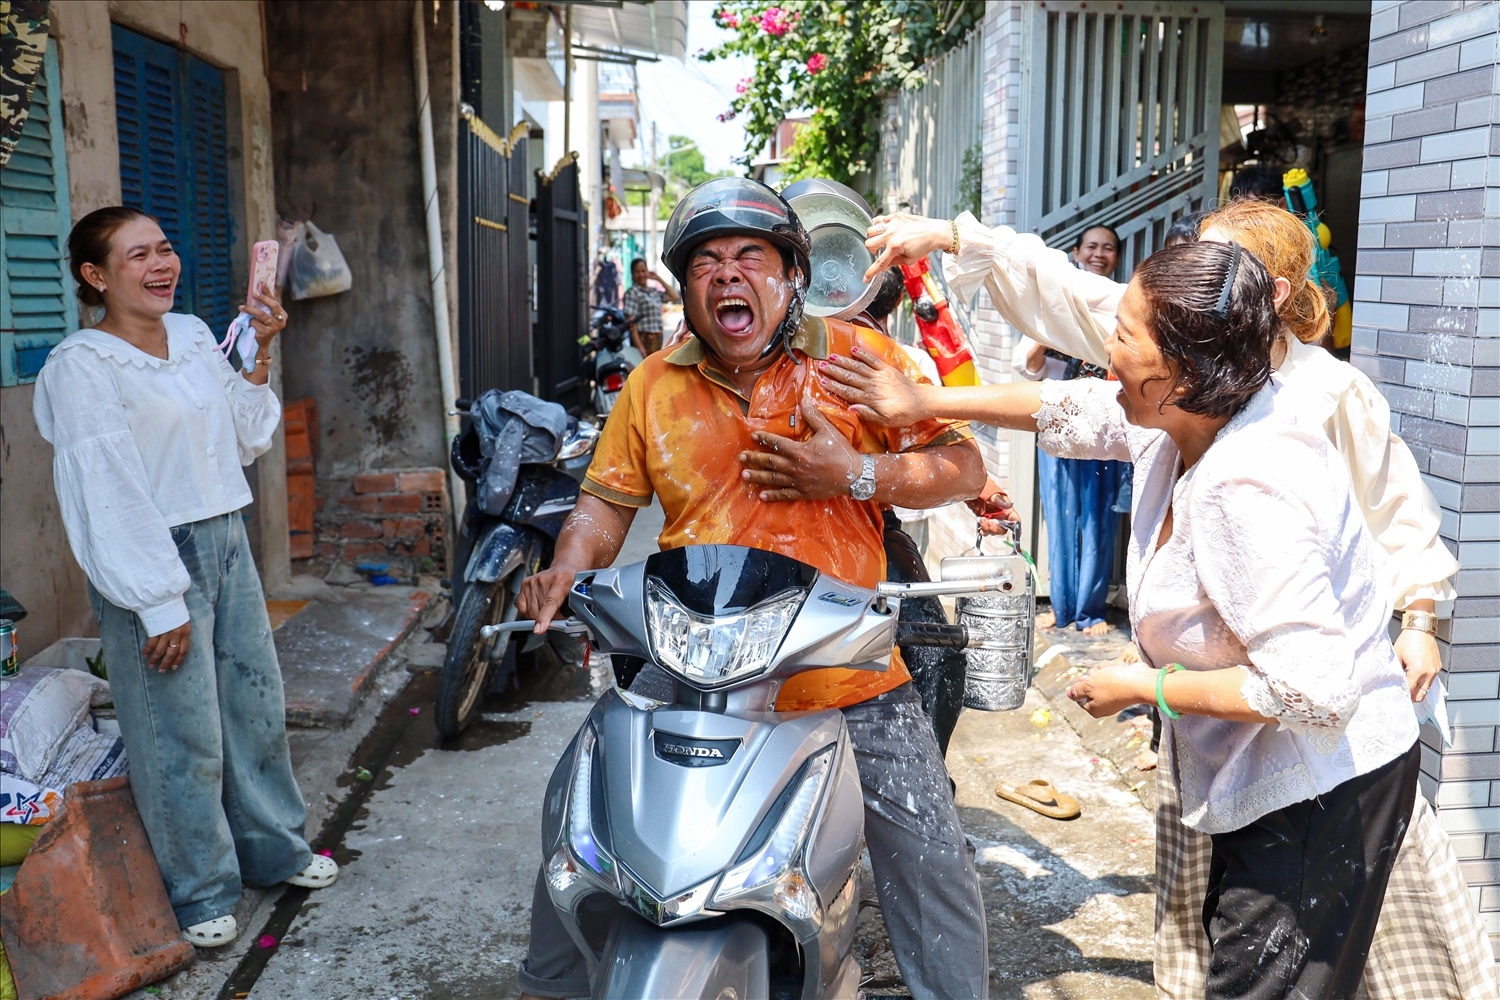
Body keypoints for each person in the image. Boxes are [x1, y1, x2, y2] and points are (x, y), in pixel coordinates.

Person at [857, 199, 1491, 997]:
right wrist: (925, 403)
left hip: (1321, 781)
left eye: (1124, 337)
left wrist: (1147, 686)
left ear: (1182, 373)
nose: (1105, 351)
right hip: (1258, 761)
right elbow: (1064, 408)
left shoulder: (1249, 482)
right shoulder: (1189, 414)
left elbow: (1315, 691)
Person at [512, 177, 991, 1000]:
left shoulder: (860, 361)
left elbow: (964, 466)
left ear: (792, 275)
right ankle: (548, 988)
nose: (728, 274)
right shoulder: (652, 384)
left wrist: (856, 474)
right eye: (707, 262)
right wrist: (567, 564)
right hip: (685, 667)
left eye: (750, 257)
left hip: (843, 671)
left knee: (931, 856)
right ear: (685, 286)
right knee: (575, 818)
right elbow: (604, 506)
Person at [33, 207, 337, 948]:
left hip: (226, 534)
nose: (161, 264)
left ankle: (275, 851)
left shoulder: (197, 335)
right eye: (137, 255)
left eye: (164, 248)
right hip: (154, 553)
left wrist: (259, 349)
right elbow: (106, 491)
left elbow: (246, 437)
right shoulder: (82, 365)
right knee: (179, 731)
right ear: (95, 275)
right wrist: (159, 600)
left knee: (252, 709)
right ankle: (200, 892)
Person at [620, 256, 680, 356]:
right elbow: (631, 324)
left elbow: (675, 296)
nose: (641, 274)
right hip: (643, 339)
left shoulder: (653, 292)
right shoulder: (632, 293)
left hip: (657, 338)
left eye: (643, 271)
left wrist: (658, 278)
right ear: (632, 274)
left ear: (647, 272)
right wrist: (640, 348)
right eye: (637, 272)